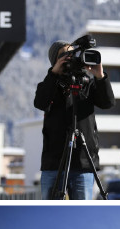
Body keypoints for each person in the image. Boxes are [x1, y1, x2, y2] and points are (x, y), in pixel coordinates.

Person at [34, 41, 115, 199]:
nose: (70, 57)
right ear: (55, 60)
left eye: (73, 54)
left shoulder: (87, 84)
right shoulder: (49, 85)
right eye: (65, 55)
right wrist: (53, 74)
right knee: (50, 211)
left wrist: (100, 76)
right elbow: (40, 103)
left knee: (81, 211)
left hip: (83, 162)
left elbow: (108, 103)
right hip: (54, 163)